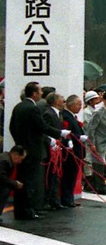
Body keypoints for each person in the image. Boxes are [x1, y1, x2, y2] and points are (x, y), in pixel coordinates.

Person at [9, 82, 65, 218]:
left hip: (22, 148)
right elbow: (42, 127)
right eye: (39, 91)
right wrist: (59, 133)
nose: (41, 94)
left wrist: (20, 143)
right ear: (34, 93)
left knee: (21, 180)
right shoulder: (33, 109)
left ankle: (20, 210)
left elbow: (12, 127)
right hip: (33, 150)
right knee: (31, 181)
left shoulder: (19, 106)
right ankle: (28, 210)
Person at [85, 91, 106, 196]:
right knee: (99, 165)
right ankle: (101, 186)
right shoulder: (98, 111)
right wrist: (92, 143)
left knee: (101, 164)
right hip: (98, 142)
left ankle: (92, 185)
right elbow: (91, 129)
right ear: (104, 100)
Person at [61, 94, 88, 208]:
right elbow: (67, 132)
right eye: (78, 104)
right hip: (71, 152)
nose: (80, 107)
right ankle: (66, 199)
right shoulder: (66, 116)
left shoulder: (72, 116)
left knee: (72, 176)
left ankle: (70, 198)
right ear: (71, 105)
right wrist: (78, 137)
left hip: (77, 150)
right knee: (69, 176)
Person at [0, 146, 27, 222]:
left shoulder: (5, 158)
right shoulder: (4, 161)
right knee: (5, 190)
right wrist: (14, 183)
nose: (20, 162)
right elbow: (1, 177)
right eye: (20, 159)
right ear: (15, 154)